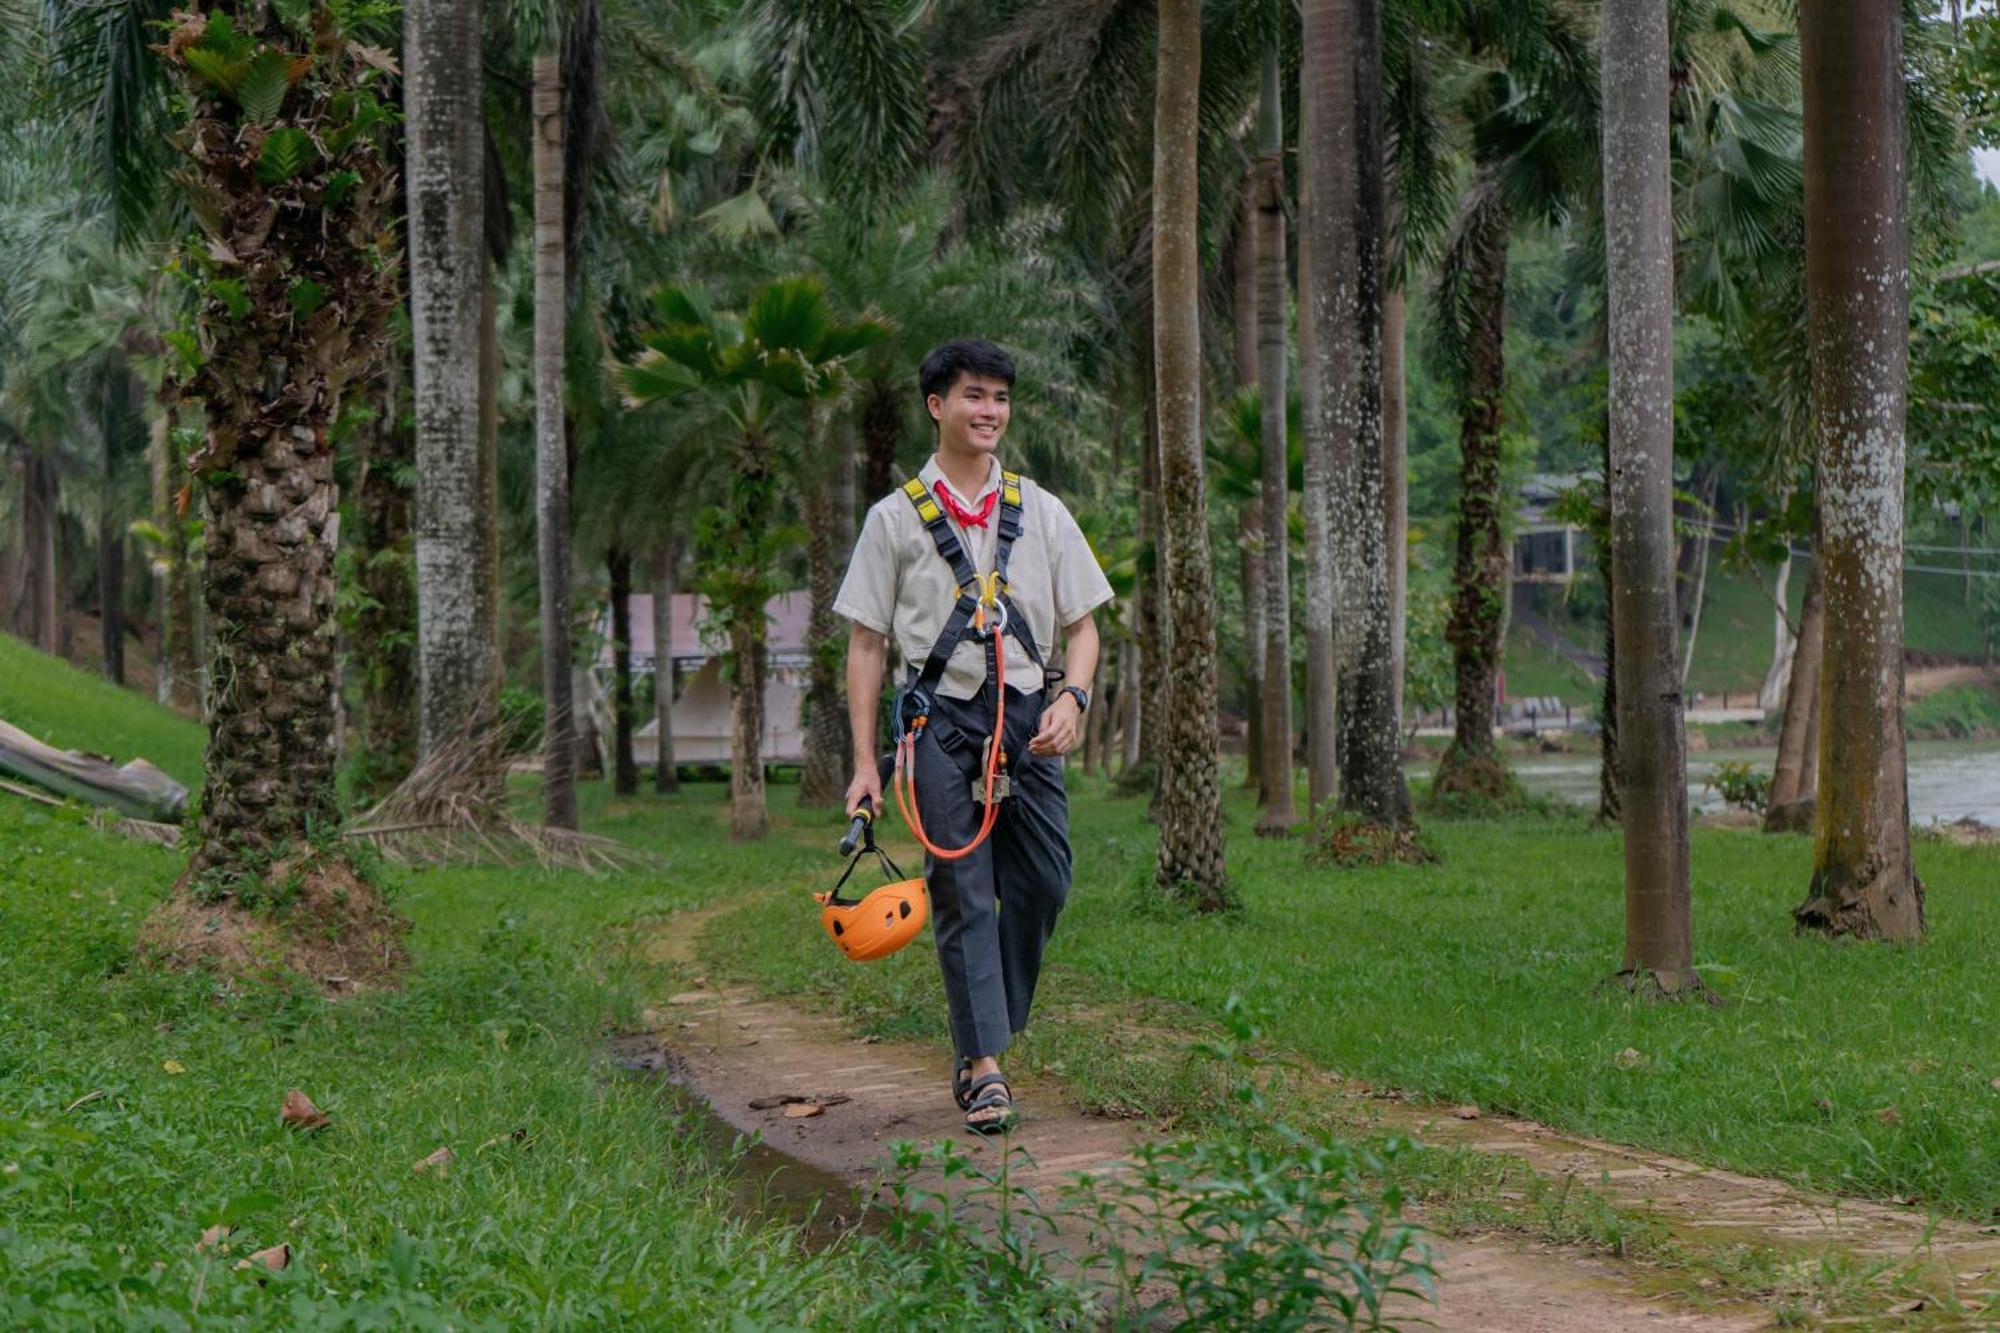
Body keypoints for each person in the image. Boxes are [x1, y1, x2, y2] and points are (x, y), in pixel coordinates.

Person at [834, 338, 1113, 1135]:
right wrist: (865, 762)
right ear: (937, 406)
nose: (989, 411)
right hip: (937, 727)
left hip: (1029, 724)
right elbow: (866, 646)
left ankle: (984, 1021)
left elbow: (1084, 626)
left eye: (999, 398)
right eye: (973, 396)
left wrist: (1077, 698)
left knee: (1045, 882)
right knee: (961, 893)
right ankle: (984, 1064)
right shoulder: (892, 519)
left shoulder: (1042, 509)